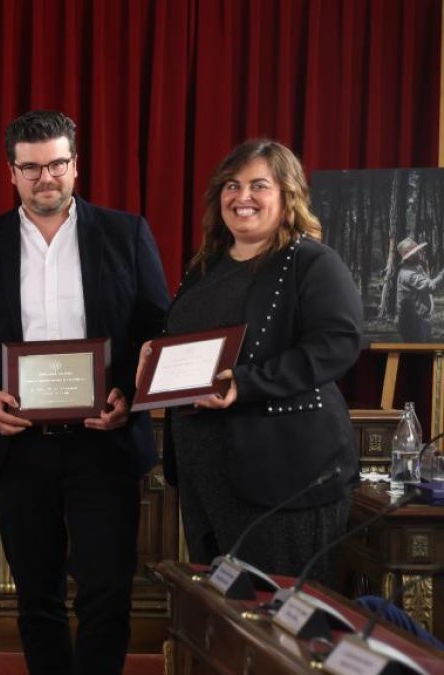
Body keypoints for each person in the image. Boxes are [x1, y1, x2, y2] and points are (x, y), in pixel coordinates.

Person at [0, 110, 170, 675]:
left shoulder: (126, 232)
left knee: (107, 589)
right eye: (32, 167)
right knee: (36, 594)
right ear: (11, 173)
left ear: (75, 164)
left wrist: (128, 395)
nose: (47, 177)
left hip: (103, 440)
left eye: (57, 164)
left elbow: (157, 328)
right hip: (18, 444)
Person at [155, 139, 361, 584]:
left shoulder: (311, 262)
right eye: (232, 185)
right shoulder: (206, 266)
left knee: (280, 618)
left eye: (258, 185)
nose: (241, 196)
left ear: (288, 196)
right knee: (223, 616)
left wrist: (248, 383)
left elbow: (338, 342)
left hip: (282, 476)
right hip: (204, 472)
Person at [395, 236, 443, 342]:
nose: (422, 253)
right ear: (411, 256)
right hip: (413, 322)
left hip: (419, 320)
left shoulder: (416, 268)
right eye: (418, 251)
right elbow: (430, 286)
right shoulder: (409, 274)